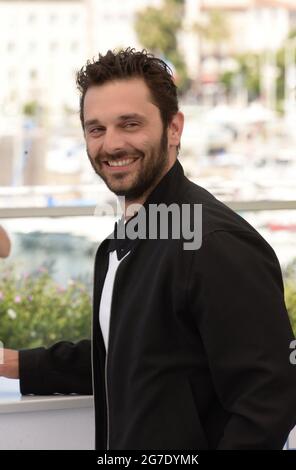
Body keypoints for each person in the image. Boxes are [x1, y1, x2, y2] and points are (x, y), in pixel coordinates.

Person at [1, 48, 296, 450]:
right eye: (97, 129)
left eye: (130, 124)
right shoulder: (133, 234)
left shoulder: (214, 243)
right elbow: (134, 352)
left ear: (174, 128)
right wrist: (13, 363)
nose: (112, 144)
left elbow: (270, 400)